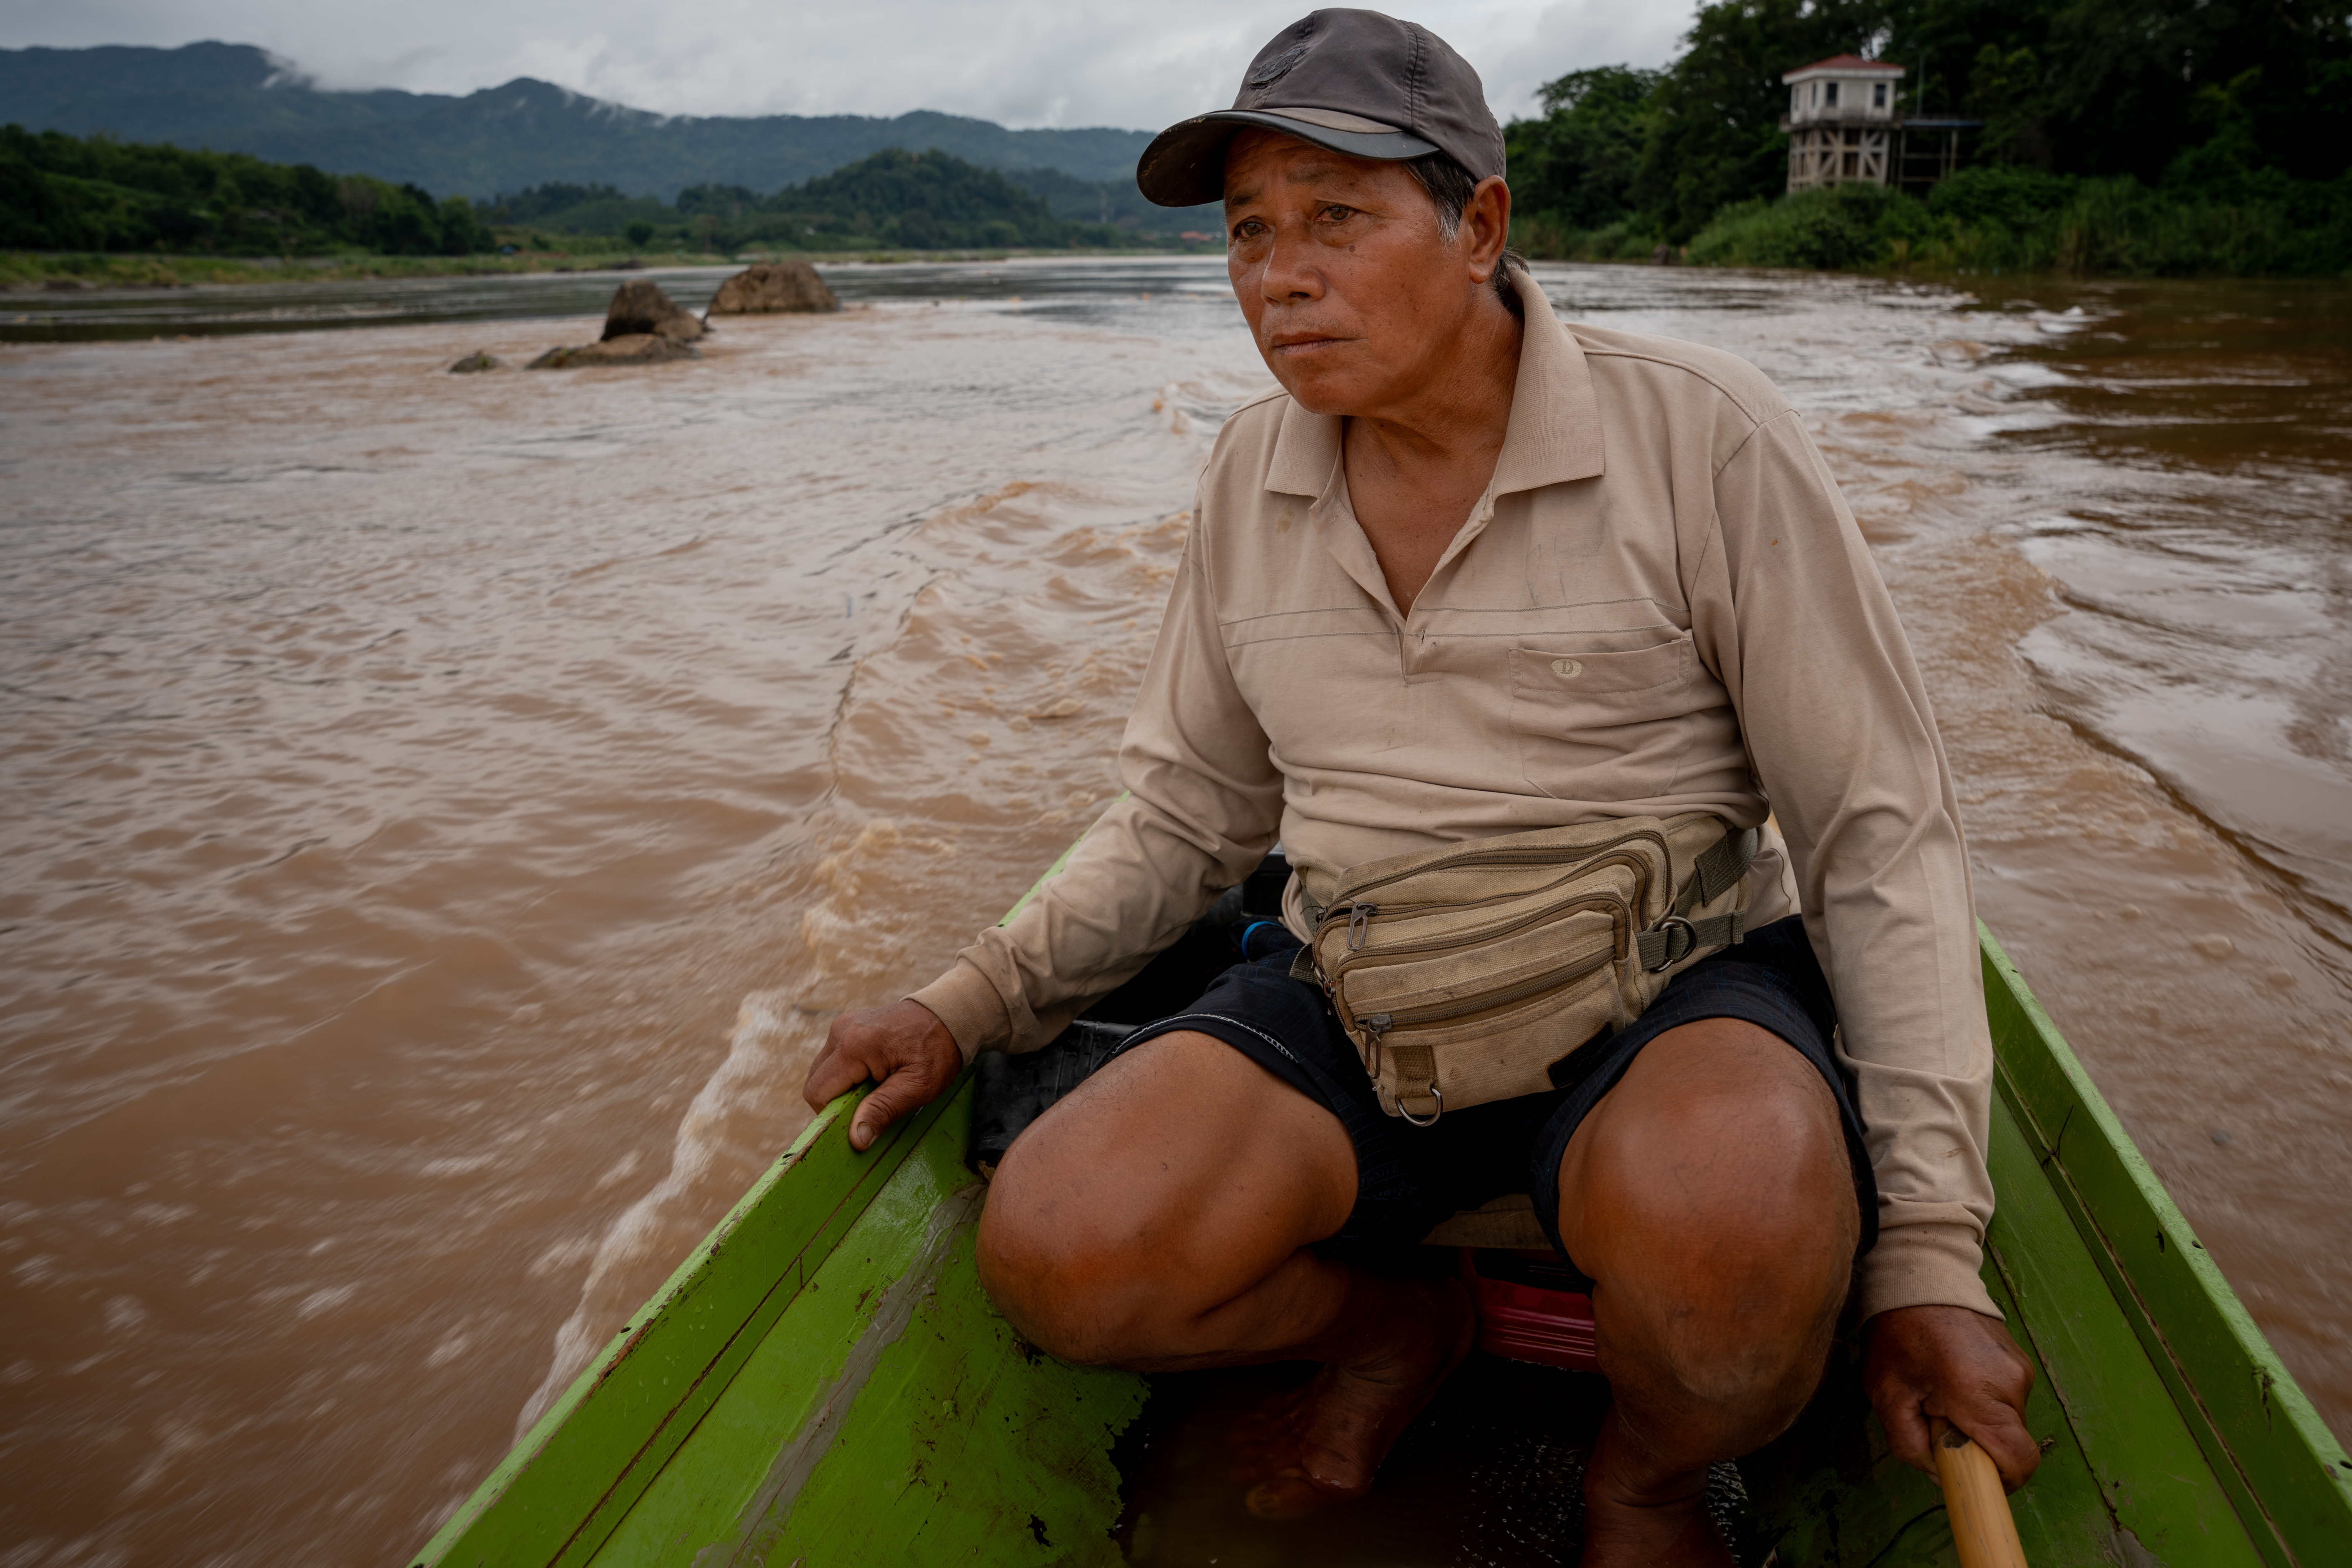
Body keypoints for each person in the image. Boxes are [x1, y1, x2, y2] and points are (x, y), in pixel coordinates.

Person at [804, 10, 2039, 1563]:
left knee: (1734, 1258)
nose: (1277, 273)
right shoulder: (1249, 472)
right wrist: (964, 1004)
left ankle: (1646, 1477)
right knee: (1062, 1249)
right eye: (1248, 231)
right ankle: (1393, 1327)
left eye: (1336, 216)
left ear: (1477, 224)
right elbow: (1187, 814)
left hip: (1659, 999)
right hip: (1362, 986)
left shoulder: (1700, 439)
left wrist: (1929, 1250)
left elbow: (1875, 832)